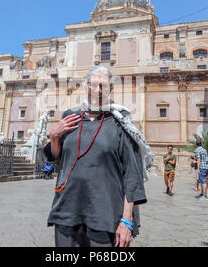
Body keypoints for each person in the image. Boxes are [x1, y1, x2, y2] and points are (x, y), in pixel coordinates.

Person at [43, 65, 147, 247]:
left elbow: (132, 174)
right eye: (94, 85)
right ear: (86, 87)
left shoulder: (120, 121)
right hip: (67, 210)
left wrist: (126, 221)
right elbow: (58, 158)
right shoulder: (70, 117)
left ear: (110, 89)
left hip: (105, 214)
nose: (99, 90)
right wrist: (54, 137)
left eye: (104, 86)